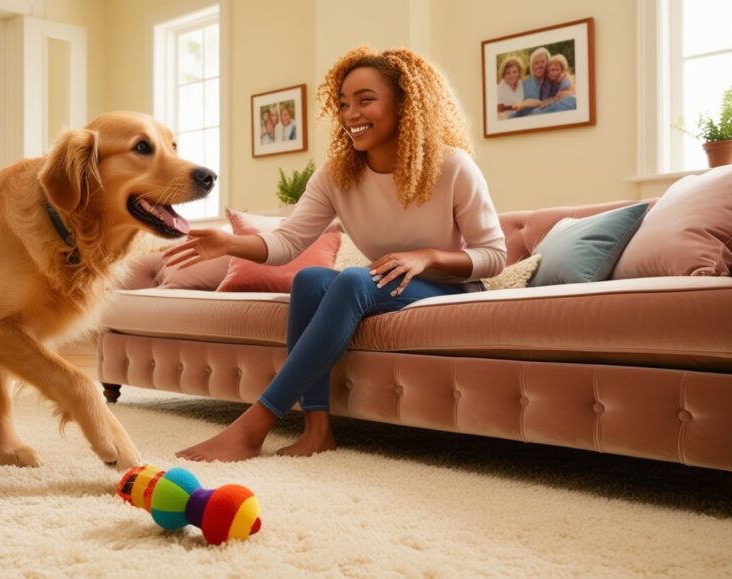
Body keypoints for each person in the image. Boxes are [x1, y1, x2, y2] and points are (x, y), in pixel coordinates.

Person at [164, 46, 506, 462]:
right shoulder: (336, 175)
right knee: (310, 279)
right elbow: (288, 242)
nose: (350, 114)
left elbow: (494, 255)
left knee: (353, 279)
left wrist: (426, 257)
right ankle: (317, 429)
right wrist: (228, 242)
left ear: (405, 104)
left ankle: (254, 425)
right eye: (343, 103)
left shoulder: (453, 167)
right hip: (384, 285)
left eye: (365, 100)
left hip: (449, 286)